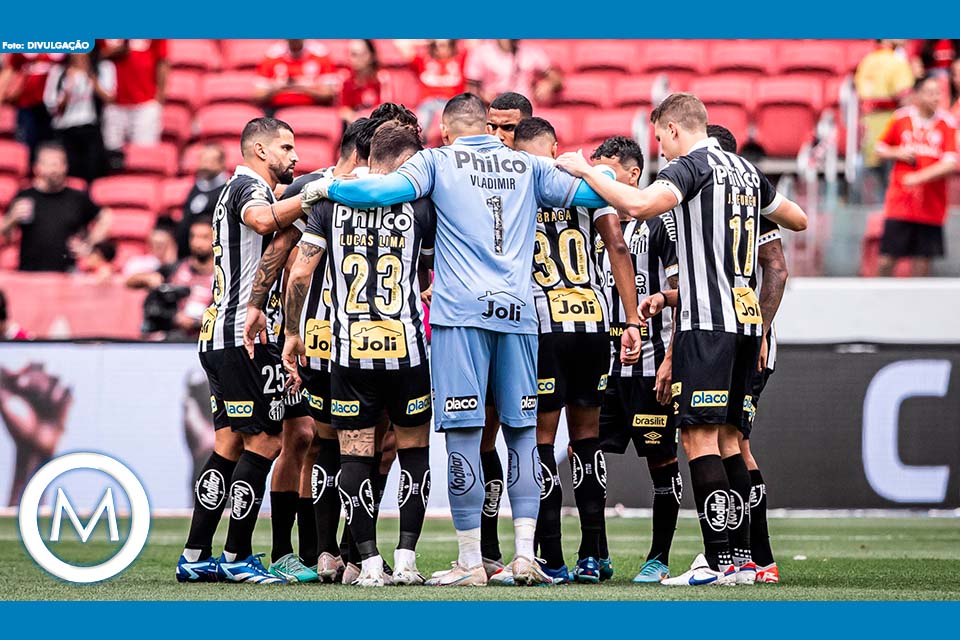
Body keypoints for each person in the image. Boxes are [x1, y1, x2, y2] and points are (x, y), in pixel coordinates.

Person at [299, 93, 639, 586]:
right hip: (521, 314)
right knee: (523, 434)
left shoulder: (436, 162)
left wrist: (323, 189)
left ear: (445, 131)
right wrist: (583, 167)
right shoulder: (527, 165)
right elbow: (601, 192)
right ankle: (525, 556)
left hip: (460, 317)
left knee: (465, 433)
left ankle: (470, 561)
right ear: (486, 126)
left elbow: (379, 193)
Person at [556, 92, 806, 586]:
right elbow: (796, 218)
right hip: (746, 319)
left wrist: (586, 171)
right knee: (731, 441)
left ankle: (719, 563)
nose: (662, 152)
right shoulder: (746, 171)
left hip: (706, 323)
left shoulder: (693, 166)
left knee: (699, 437)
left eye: (660, 140)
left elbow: (641, 203)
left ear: (672, 129)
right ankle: (744, 558)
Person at [283, 122, 434, 587]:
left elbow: (301, 275)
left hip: (350, 353)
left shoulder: (330, 201)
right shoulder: (420, 204)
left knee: (354, 456)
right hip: (406, 349)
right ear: (406, 161)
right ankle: (406, 559)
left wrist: (292, 334)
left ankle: (365, 562)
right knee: (413, 455)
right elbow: (432, 275)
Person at [176, 116, 310, 585]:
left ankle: (196, 553)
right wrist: (317, 192)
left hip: (221, 335)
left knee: (230, 443)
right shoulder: (248, 189)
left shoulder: (240, 188)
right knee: (265, 441)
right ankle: (236, 557)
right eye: (286, 148)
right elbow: (261, 219)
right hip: (242, 338)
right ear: (260, 151)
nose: (294, 157)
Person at [512, 119, 642, 585]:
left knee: (542, 441)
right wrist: (630, 320)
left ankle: (552, 558)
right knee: (586, 440)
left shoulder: (515, 186)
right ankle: (593, 553)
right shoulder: (586, 183)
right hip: (591, 322)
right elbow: (618, 246)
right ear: (557, 148)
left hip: (543, 328)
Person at [586, 135, 684, 584]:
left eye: (608, 172)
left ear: (631, 175)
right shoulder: (590, 221)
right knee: (588, 456)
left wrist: (669, 362)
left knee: (661, 463)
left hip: (650, 367)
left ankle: (658, 557)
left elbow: (685, 293)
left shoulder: (660, 226)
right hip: (599, 368)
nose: (600, 181)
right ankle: (595, 553)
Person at [875, 75, 958, 277]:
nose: (936, 97)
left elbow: (951, 162)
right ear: (917, 96)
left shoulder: (946, 123)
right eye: (930, 93)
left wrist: (918, 178)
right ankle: (877, 299)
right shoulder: (901, 118)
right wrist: (897, 153)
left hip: (931, 205)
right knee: (887, 258)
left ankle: (917, 306)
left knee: (922, 262)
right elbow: (879, 148)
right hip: (900, 203)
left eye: (938, 93)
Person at [0, 142, 112, 272]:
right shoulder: (25, 196)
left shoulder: (77, 197)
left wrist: (89, 244)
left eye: (59, 164)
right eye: (49, 164)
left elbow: (106, 217)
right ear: (37, 167)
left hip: (67, 274)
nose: (54, 169)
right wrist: (11, 219)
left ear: (66, 166)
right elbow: (7, 237)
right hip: (30, 273)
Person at [127, 216, 215, 341]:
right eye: (193, 237)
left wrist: (198, 323)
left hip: (205, 339)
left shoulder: (223, 275)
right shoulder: (176, 269)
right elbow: (130, 282)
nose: (197, 243)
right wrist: (148, 278)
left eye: (204, 237)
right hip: (172, 338)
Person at [854, 40, 915, 195]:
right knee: (890, 185)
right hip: (891, 127)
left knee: (870, 182)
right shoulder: (896, 62)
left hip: (868, 126)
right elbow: (905, 97)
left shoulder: (867, 60)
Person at [43, 51, 114, 183]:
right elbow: (52, 106)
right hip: (65, 129)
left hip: (91, 128)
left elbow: (109, 98)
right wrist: (68, 88)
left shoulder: (102, 68)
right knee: (71, 173)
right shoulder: (58, 72)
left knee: (93, 171)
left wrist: (90, 76)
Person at [99, 39, 168, 160]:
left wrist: (160, 95)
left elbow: (163, 60)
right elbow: (90, 58)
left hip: (145, 102)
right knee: (112, 156)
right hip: (113, 103)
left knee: (144, 155)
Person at [0, 53, 63, 160]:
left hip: (52, 108)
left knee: (51, 146)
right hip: (26, 105)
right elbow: (9, 71)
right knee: (27, 145)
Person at [465, 40, 562, 105]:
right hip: (492, 111)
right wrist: (483, 96)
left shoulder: (531, 52)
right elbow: (471, 90)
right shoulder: (481, 53)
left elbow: (556, 77)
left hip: (524, 110)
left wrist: (550, 84)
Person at [255, 39, 338, 113]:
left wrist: (300, 86)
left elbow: (328, 94)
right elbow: (258, 95)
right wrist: (279, 87)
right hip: (277, 109)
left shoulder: (320, 54)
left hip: (313, 109)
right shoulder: (272, 55)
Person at [176, 144, 228, 259]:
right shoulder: (196, 187)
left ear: (221, 163)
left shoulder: (227, 190)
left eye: (210, 161)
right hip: (188, 253)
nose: (205, 165)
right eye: (203, 160)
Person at [411, 39, 467, 136]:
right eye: (436, 46)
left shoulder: (460, 59)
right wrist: (429, 42)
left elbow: (473, 43)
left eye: (444, 45)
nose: (440, 49)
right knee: (421, 122)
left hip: (451, 101)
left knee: (456, 121)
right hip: (428, 101)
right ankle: (420, 142)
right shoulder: (424, 60)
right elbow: (405, 46)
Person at [339, 40, 390, 124]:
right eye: (353, 55)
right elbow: (343, 109)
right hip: (355, 126)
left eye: (361, 54)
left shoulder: (382, 78)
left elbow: (386, 108)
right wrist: (356, 119)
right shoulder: (346, 79)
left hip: (376, 124)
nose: (356, 59)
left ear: (371, 56)